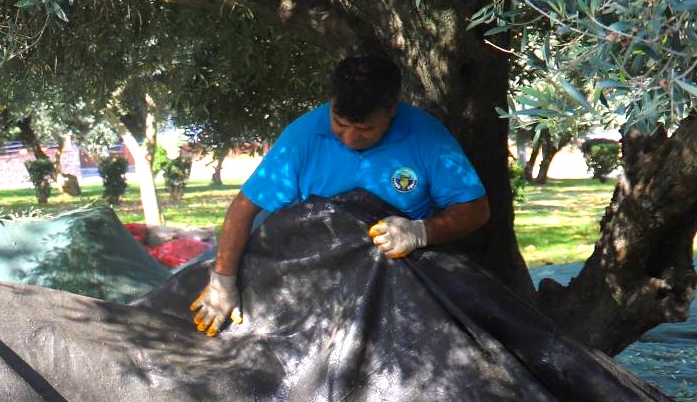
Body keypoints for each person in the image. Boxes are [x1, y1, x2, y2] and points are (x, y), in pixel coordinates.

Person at [190, 53, 490, 336]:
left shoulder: (427, 137)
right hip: (318, 273)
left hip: (397, 279)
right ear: (331, 102)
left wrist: (421, 231)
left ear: (392, 110)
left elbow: (476, 210)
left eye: (366, 129)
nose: (350, 138)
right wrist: (223, 280)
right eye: (340, 125)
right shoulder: (302, 137)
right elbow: (244, 209)